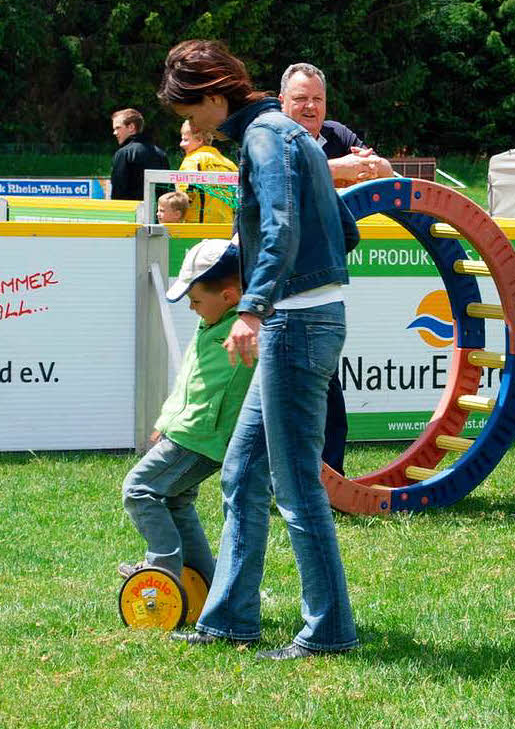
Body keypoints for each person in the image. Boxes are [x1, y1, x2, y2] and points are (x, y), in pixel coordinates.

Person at [158, 39, 361, 660]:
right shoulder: (286, 133)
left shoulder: (265, 137)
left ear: (216, 95)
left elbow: (279, 223)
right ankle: (228, 619)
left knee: (297, 486)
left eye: (190, 110)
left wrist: (253, 305)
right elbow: (343, 231)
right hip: (300, 319)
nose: (188, 125)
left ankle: (328, 630)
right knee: (244, 475)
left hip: (293, 326)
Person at [278, 62, 392, 475]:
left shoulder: (337, 136)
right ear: (282, 102)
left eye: (317, 99)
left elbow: (383, 174)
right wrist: (336, 170)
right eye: (301, 99)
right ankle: (288, 477)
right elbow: (282, 177)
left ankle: (330, 476)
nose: (310, 107)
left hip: (322, 280)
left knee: (325, 382)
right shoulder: (270, 136)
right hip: (277, 278)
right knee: (277, 389)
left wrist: (373, 166)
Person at [120, 239, 255, 585]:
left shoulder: (243, 333)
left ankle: (163, 569)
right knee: (176, 501)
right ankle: (207, 582)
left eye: (196, 301)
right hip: (184, 431)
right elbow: (190, 380)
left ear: (229, 296)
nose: (192, 308)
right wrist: (166, 421)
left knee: (138, 489)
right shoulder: (209, 323)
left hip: (199, 438)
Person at [177, 119, 238, 224]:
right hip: (227, 226)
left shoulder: (192, 161)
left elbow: (183, 197)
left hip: (198, 227)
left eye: (185, 140)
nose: (181, 144)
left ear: (200, 140)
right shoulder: (229, 164)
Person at [110, 108, 170, 200]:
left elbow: (118, 191)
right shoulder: (161, 154)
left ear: (131, 127)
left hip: (132, 212)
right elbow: (167, 191)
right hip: (157, 212)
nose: (114, 133)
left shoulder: (124, 153)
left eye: (118, 128)